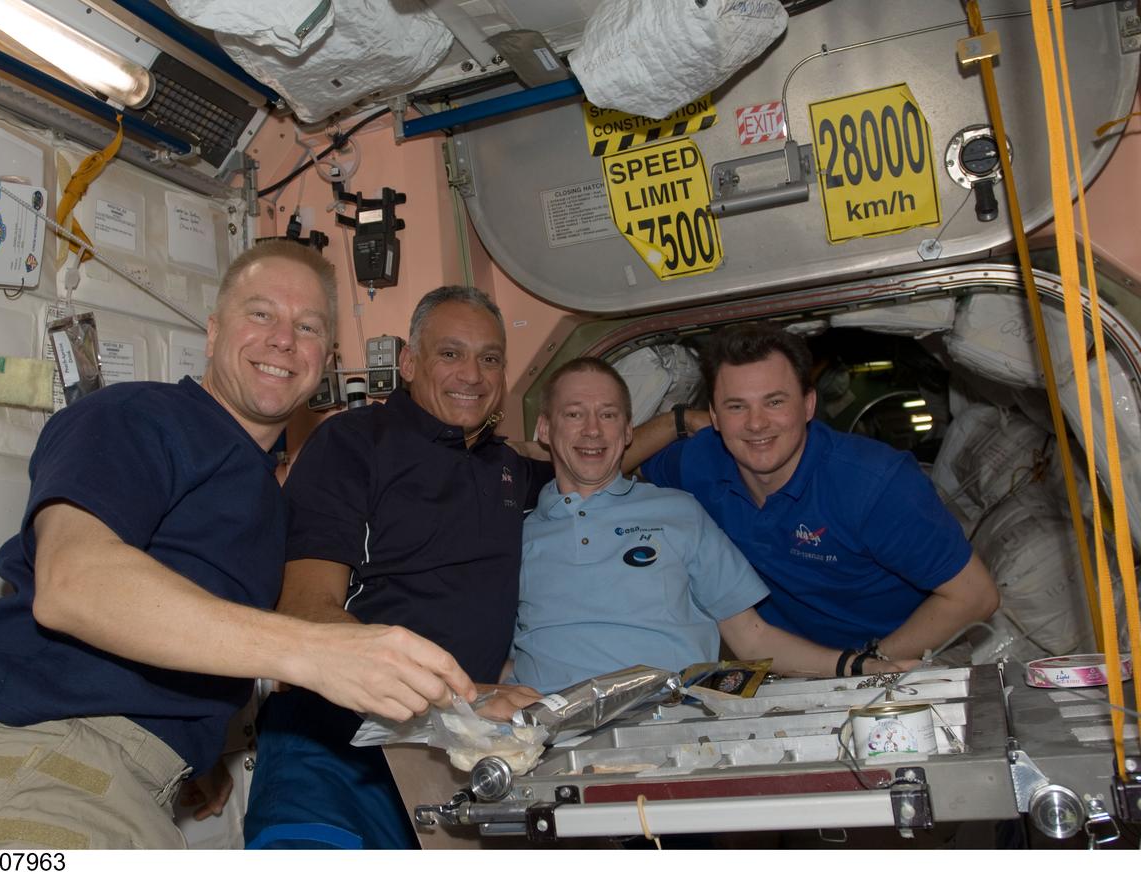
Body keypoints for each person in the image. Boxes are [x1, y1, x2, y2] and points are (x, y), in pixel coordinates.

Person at [0, 241, 476, 851]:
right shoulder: (135, 415)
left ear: (326, 359)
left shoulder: (261, 492)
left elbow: (187, 623)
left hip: (127, 780)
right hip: (32, 766)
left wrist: (196, 743)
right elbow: (74, 585)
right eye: (261, 314)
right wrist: (318, 651)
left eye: (308, 326)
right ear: (212, 333)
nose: (284, 339)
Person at [244, 285, 551, 850]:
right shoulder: (353, 442)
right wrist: (463, 694)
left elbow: (595, 459)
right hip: (334, 749)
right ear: (408, 363)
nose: (473, 374)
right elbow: (306, 610)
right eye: (450, 353)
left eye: (490, 359)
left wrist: (685, 424)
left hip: (451, 753)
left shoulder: (507, 466)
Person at [511, 358, 914, 692]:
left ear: (629, 429)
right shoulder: (512, 534)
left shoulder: (678, 511)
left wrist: (855, 666)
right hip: (548, 737)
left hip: (667, 729)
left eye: (608, 414)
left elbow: (752, 637)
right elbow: (493, 652)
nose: (593, 430)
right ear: (545, 429)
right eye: (574, 414)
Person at [634, 323, 1000, 662]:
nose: (756, 423)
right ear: (714, 416)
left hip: (903, 654)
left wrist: (865, 666)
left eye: (774, 402)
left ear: (808, 404)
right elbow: (609, 466)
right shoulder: (704, 461)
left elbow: (975, 596)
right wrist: (677, 421)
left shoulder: (874, 484)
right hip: (788, 663)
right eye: (736, 407)